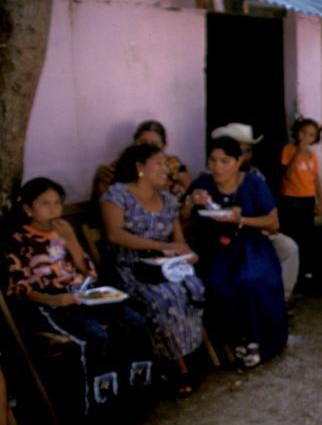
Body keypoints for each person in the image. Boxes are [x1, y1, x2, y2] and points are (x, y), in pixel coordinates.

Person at [7, 177, 153, 412]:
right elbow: (20, 288)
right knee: (95, 336)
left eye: (57, 203)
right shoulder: (18, 240)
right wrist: (55, 299)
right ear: (27, 208)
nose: (54, 209)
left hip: (81, 294)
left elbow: (89, 273)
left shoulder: (63, 231)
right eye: (45, 203)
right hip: (47, 303)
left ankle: (134, 395)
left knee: (133, 322)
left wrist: (72, 240)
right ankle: (96, 407)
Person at [100, 144, 205, 397]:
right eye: (158, 163)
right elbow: (114, 235)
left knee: (194, 287)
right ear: (140, 168)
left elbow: (178, 241)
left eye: (166, 164)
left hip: (162, 267)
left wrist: (188, 254)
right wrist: (161, 246)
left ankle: (190, 353)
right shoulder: (118, 195)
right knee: (164, 297)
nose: (165, 169)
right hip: (129, 269)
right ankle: (177, 365)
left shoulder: (168, 200)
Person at [183, 136, 288, 368]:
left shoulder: (253, 184)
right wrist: (191, 202)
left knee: (250, 280)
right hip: (215, 247)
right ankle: (235, 340)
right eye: (213, 160)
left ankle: (261, 341)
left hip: (251, 245)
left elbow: (273, 223)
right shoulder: (203, 183)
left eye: (224, 161)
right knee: (218, 282)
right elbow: (180, 219)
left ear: (238, 161)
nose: (217, 166)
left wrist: (241, 219)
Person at [211, 123, 301, 299]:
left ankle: (280, 299)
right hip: (222, 236)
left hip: (255, 231)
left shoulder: (255, 176)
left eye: (248, 151)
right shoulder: (214, 173)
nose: (246, 156)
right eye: (242, 151)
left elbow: (271, 219)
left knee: (289, 248)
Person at [92, 120, 193, 203]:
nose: (147, 148)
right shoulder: (120, 164)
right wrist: (98, 181)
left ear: (164, 145)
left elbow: (190, 190)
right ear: (135, 142)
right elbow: (103, 201)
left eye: (154, 145)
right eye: (143, 143)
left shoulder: (172, 163)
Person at [278, 118, 322, 292]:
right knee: (291, 237)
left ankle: (304, 275)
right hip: (290, 200)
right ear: (297, 132)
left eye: (311, 135)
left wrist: (321, 202)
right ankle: (291, 277)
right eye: (303, 132)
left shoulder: (313, 155)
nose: (306, 137)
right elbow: (288, 174)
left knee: (306, 237)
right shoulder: (289, 150)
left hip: (307, 200)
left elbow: (316, 180)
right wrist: (298, 153)